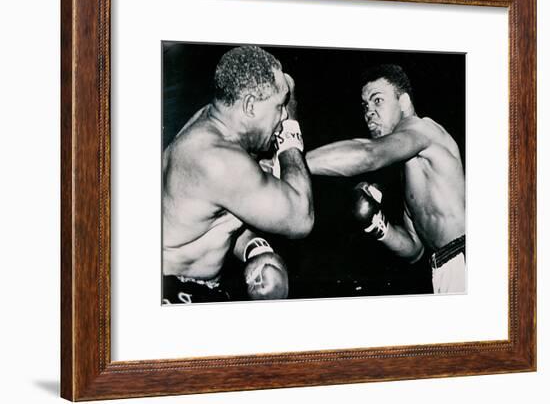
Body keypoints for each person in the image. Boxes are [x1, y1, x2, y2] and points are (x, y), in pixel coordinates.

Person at [162, 45, 314, 304]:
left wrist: (255, 249)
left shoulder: (214, 127)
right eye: (279, 106)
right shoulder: (216, 158)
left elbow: (212, 221)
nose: (284, 113)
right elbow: (301, 218)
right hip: (175, 292)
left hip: (185, 283)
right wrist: (290, 135)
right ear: (250, 106)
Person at [306, 64, 465, 294]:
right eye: (365, 106)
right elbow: (415, 249)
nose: (369, 111)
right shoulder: (409, 165)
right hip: (443, 266)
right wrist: (377, 224)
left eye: (377, 100)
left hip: (465, 257)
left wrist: (294, 163)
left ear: (403, 102)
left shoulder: (421, 129)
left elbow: (369, 154)